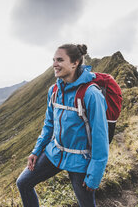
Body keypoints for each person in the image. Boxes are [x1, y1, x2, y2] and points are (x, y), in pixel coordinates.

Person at [16, 44, 109, 207]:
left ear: (75, 63)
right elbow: (49, 125)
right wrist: (37, 150)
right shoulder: (54, 91)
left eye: (60, 60)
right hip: (55, 152)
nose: (54, 64)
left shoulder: (92, 95)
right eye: (53, 60)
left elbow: (100, 139)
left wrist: (94, 175)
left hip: (80, 160)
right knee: (23, 183)